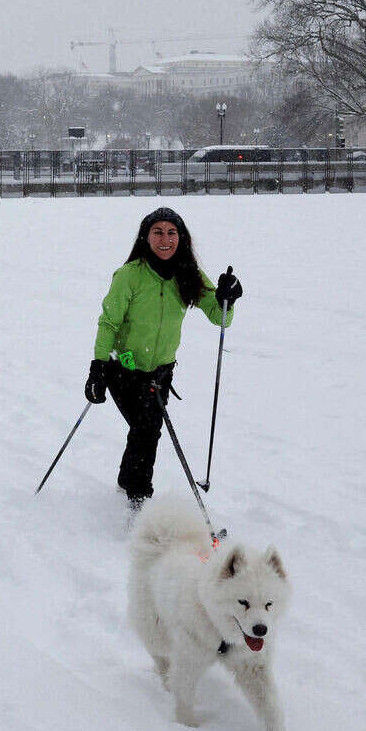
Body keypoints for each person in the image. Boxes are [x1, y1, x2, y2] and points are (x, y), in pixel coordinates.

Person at [84, 207, 242, 511]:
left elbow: (219, 318)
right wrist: (98, 367)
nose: (165, 239)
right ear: (146, 236)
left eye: (172, 233)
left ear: (181, 238)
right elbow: (109, 323)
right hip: (124, 367)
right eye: (158, 232)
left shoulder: (189, 274)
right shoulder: (130, 275)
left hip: (160, 373)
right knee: (146, 429)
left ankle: (127, 482)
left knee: (144, 429)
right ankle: (139, 500)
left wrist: (227, 299)